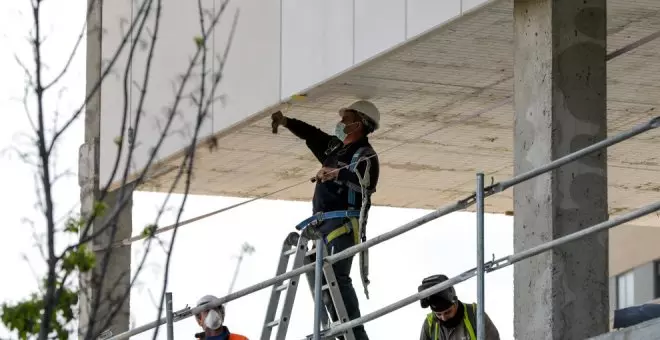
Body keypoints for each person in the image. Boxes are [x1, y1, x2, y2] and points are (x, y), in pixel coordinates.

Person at [271, 100, 381, 340]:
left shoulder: (365, 154)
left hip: (343, 223)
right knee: (322, 282)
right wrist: (287, 122)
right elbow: (313, 135)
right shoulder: (335, 149)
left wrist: (337, 173)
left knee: (337, 279)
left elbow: (367, 183)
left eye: (346, 119)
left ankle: (355, 335)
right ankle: (341, 332)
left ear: (359, 124)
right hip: (322, 225)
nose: (341, 123)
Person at [418, 274, 500, 340]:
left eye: (447, 312)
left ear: (455, 303)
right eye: (438, 314)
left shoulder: (475, 314)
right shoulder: (429, 324)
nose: (443, 318)